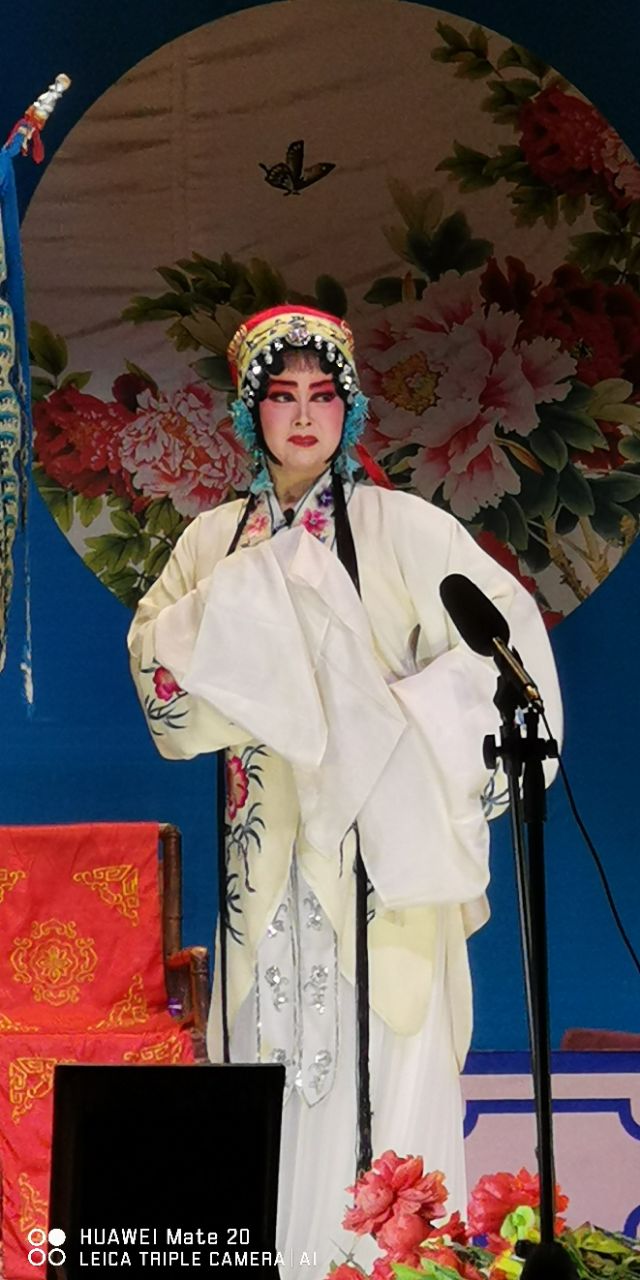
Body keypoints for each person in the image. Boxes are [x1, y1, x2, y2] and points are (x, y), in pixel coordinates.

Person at [127, 305, 562, 1278]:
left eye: (322, 395)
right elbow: (159, 676)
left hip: (385, 872)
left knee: (392, 1086)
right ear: (251, 411)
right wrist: (253, 620)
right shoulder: (213, 545)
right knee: (267, 1084)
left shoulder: (406, 531)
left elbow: (508, 650)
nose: (302, 415)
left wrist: (392, 727)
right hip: (267, 881)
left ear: (348, 409)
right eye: (281, 396)